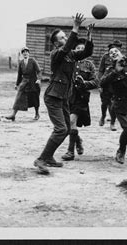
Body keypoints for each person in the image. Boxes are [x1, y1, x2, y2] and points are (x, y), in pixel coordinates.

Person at [33, 13, 94, 175]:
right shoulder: (56, 54)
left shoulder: (71, 54)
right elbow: (66, 47)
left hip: (64, 97)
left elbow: (87, 52)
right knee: (61, 129)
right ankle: (41, 159)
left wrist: (89, 36)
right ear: (55, 43)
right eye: (61, 38)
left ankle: (49, 157)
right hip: (53, 96)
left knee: (66, 129)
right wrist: (75, 28)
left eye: (65, 36)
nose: (65, 39)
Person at [61, 38, 99, 161]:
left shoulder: (89, 65)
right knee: (67, 124)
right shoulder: (69, 62)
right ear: (74, 50)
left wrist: (85, 84)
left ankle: (70, 152)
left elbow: (96, 81)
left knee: (72, 121)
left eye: (83, 49)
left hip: (81, 98)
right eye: (78, 49)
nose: (80, 51)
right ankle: (77, 140)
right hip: (67, 96)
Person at [5, 47, 42, 121]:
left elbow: (39, 71)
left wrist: (38, 79)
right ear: (22, 54)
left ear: (29, 53)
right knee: (19, 98)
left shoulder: (32, 61)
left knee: (35, 99)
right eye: (23, 52)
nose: (25, 53)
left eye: (26, 52)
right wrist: (17, 84)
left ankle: (37, 114)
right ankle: (13, 115)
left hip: (33, 83)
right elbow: (19, 74)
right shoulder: (21, 62)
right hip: (24, 83)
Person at [97, 40, 122, 131]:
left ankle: (112, 123)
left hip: (115, 85)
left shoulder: (121, 58)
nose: (114, 50)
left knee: (114, 105)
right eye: (112, 48)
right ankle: (103, 116)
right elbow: (100, 70)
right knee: (104, 103)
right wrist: (99, 85)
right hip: (106, 84)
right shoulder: (105, 57)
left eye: (117, 48)